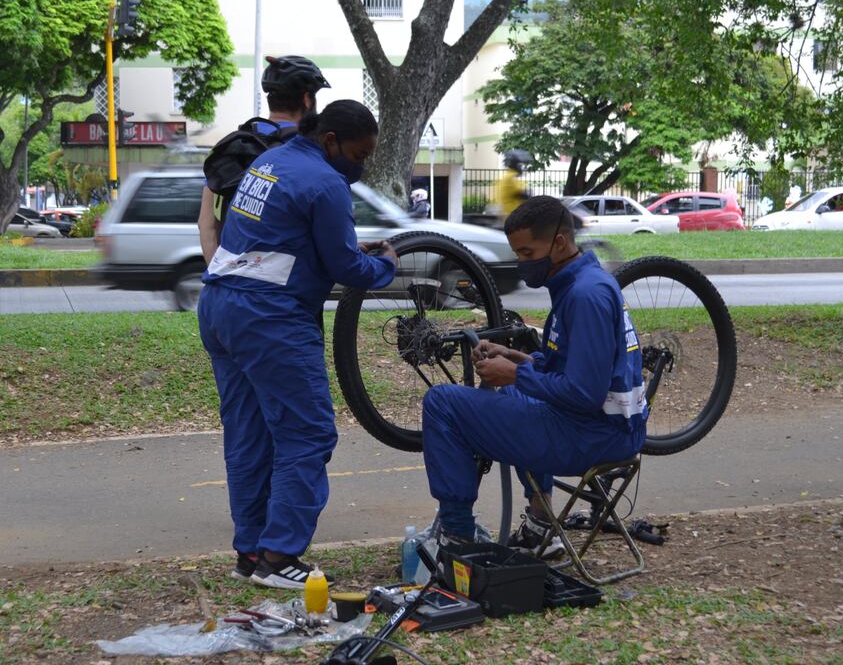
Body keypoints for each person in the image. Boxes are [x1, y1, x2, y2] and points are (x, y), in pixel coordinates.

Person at [198, 100, 398, 590]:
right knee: (307, 434)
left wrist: (344, 248)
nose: (361, 164)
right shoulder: (327, 183)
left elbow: (278, 235)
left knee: (249, 434)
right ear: (331, 141)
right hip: (271, 319)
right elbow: (347, 269)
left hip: (221, 305)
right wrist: (385, 265)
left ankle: (250, 552)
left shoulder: (270, 160)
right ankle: (279, 557)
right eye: (359, 154)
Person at [420, 196, 648, 554]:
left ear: (559, 243)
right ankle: (542, 525)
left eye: (528, 253)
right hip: (600, 427)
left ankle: (457, 538)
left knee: (442, 403)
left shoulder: (585, 296)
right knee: (512, 394)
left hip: (594, 436)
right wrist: (518, 359)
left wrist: (515, 374)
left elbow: (584, 393)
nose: (523, 263)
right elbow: (570, 369)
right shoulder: (581, 283)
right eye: (518, 253)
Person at [199, 55, 330, 265]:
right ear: (307, 99)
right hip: (287, 278)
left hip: (230, 274)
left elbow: (207, 224)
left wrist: (218, 271)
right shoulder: (309, 151)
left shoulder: (232, 147)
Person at [489, 150, 532, 221]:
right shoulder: (510, 178)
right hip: (512, 218)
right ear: (516, 165)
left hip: (512, 216)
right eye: (521, 165)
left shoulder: (509, 176)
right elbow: (522, 195)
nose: (522, 168)